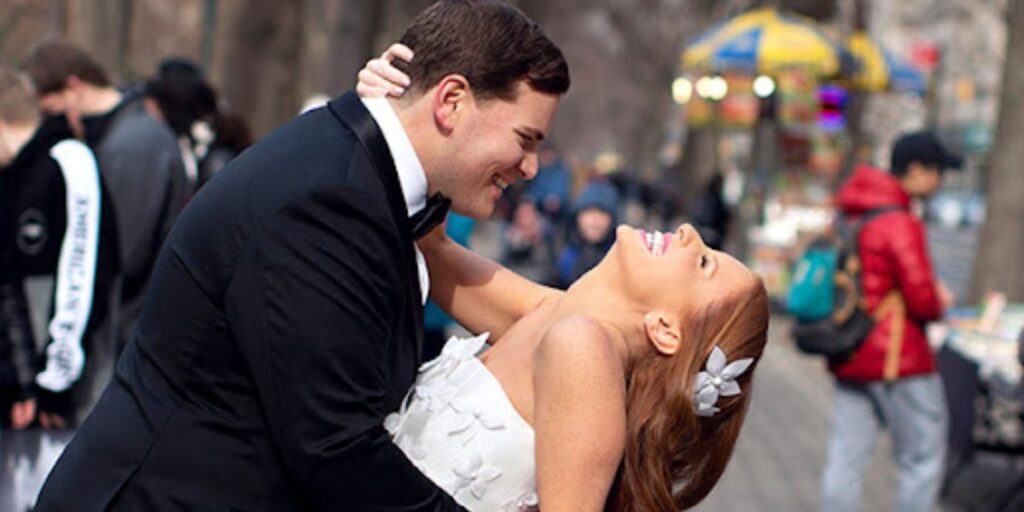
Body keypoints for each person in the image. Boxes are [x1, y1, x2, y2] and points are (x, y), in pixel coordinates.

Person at [34, 1, 569, 510]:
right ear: (450, 101)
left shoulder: (353, 167)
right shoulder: (331, 200)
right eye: (525, 139)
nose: (530, 167)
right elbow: (334, 445)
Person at [361, 40, 768, 512]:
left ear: (665, 329)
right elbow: (431, 245)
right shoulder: (553, 315)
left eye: (703, 263)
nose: (689, 232)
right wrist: (398, 116)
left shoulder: (581, 348)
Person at [23, 38, 189, 387]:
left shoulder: (133, 146)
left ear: (73, 87)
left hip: (120, 345)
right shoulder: (124, 137)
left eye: (50, 110)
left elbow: (117, 256)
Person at [820, 131, 960, 512]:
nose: (938, 182)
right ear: (915, 171)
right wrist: (940, 298)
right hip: (897, 358)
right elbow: (922, 300)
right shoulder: (900, 221)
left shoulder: (854, 210)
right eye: (937, 173)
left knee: (845, 458)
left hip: (849, 349)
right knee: (922, 459)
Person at [0, 66, 119, 429]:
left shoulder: (68, 161)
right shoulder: (10, 175)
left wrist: (54, 379)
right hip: (21, 388)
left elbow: (79, 272)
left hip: (59, 398)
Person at [555, 180, 619, 288]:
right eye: (588, 211)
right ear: (577, 217)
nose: (594, 219)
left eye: (602, 212)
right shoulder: (560, 252)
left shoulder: (619, 257)